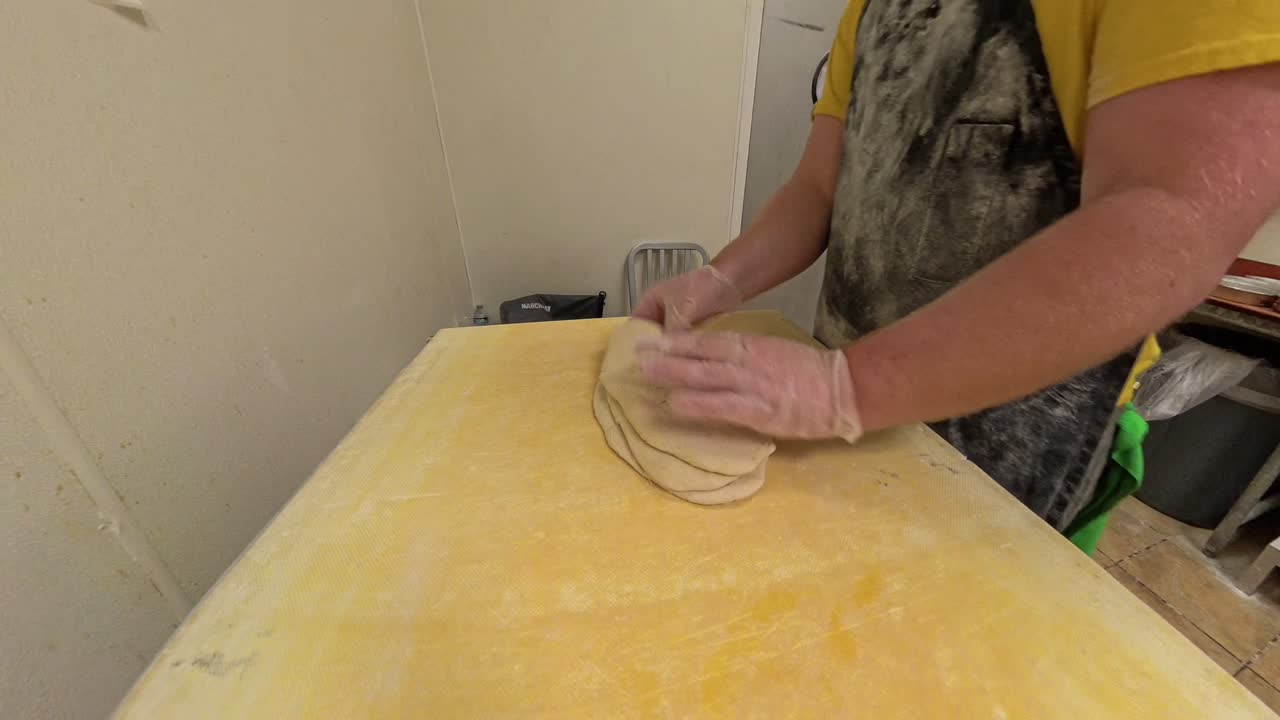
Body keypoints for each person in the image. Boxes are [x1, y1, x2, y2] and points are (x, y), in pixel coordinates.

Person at [633, 0, 1280, 531]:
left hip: (1014, 445)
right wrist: (721, 280)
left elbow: (1168, 224)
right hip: (836, 424)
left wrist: (845, 389)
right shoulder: (874, 8)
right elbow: (818, 190)